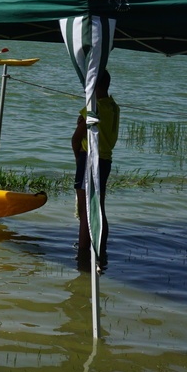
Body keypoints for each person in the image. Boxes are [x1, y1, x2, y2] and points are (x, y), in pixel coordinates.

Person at [71, 69, 119, 272]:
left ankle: (83, 253)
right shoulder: (114, 106)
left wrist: (77, 158)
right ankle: (100, 248)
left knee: (85, 210)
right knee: (99, 207)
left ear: (94, 85)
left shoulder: (93, 108)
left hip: (89, 158)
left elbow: (75, 138)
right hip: (105, 159)